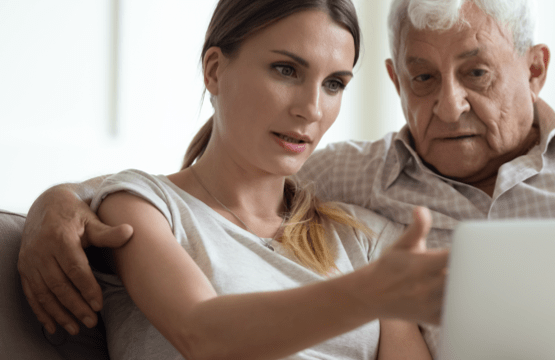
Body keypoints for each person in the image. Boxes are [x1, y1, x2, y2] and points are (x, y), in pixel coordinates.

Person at [17, 0, 555, 359]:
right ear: (394, 80)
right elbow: (197, 189)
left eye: (476, 73)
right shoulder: (356, 188)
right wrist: (58, 202)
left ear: (534, 68)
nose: (447, 104)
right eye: (421, 78)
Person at [20, 0, 449, 359]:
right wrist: (367, 294)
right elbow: (202, 334)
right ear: (214, 70)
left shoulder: (365, 239)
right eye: (286, 70)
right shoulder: (144, 207)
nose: (312, 109)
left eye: (334, 83)